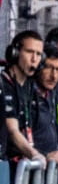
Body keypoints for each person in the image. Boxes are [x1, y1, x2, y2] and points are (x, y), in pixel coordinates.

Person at [2, 30, 45, 161]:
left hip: (23, 162)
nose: (34, 59)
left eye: (38, 54)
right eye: (29, 52)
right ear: (15, 53)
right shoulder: (4, 84)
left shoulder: (31, 87)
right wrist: (34, 154)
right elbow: (12, 130)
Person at [29, 51, 58, 166]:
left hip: (52, 170)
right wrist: (44, 155)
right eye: (48, 68)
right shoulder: (26, 95)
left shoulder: (56, 95)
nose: (54, 76)